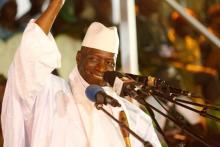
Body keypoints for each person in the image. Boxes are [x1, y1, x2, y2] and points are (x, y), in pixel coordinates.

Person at [1, 0, 161, 147]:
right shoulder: (51, 93)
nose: (101, 68)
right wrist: (56, 4)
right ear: (79, 57)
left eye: (108, 62)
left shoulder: (131, 117)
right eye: (94, 58)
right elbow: (29, 58)